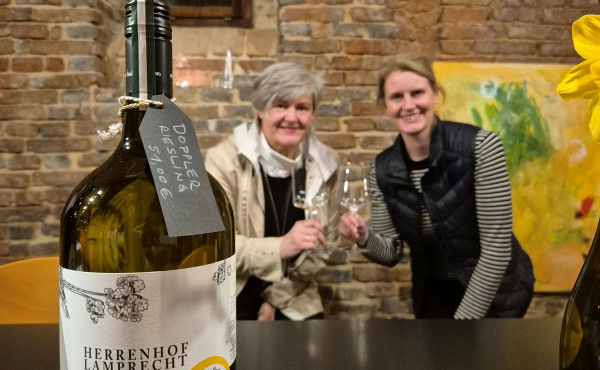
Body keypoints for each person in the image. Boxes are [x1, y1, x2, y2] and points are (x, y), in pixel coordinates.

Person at [338, 56, 534, 319]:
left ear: (434, 95)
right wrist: (364, 238)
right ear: (385, 106)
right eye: (396, 97)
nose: (408, 105)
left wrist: (460, 324)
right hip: (434, 299)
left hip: (496, 295)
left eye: (417, 93)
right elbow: (390, 253)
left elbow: (496, 251)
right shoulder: (380, 169)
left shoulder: (481, 147)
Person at [204, 61, 338, 321]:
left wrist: (276, 298)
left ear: (312, 113)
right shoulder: (224, 160)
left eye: (302, 107)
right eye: (281, 105)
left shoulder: (325, 163)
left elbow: (326, 243)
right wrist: (280, 247)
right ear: (260, 109)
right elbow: (215, 243)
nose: (292, 117)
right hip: (233, 290)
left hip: (295, 291)